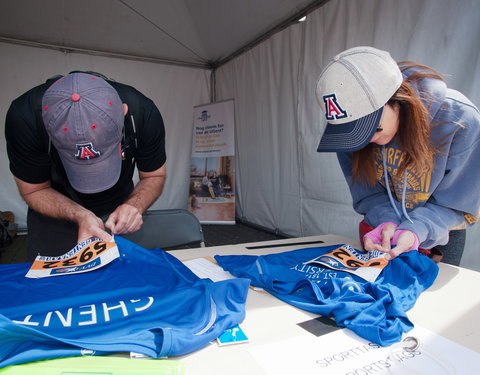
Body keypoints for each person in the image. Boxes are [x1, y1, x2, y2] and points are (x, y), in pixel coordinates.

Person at [315, 46, 480, 265]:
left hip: (441, 231)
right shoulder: (346, 137)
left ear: (398, 99)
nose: (363, 141)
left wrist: (416, 230)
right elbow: (368, 194)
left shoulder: (459, 121)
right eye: (352, 133)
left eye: (371, 128)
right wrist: (385, 222)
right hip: (385, 230)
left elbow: (458, 203)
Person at [5, 71, 167, 260]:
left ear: (123, 111)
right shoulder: (25, 117)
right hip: (55, 212)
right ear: (46, 126)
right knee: (58, 288)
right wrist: (80, 215)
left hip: (120, 209)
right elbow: (33, 190)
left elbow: (154, 175)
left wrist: (135, 206)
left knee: (125, 282)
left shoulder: (141, 111)